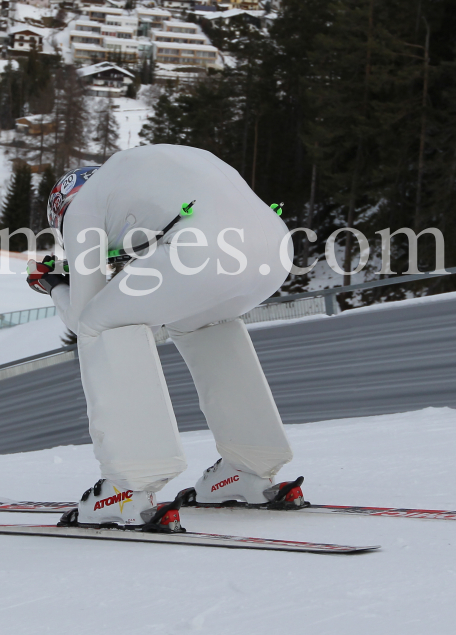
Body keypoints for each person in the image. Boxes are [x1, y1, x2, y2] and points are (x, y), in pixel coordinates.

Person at [26, 145, 304, 529]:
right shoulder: (134, 181)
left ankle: (129, 486)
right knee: (203, 325)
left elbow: (84, 314)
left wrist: (54, 284)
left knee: (101, 326)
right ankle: (249, 466)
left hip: (200, 251)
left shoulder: (82, 208)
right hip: (274, 250)